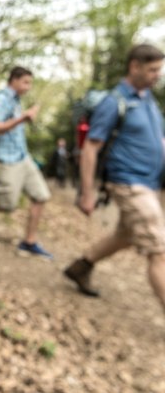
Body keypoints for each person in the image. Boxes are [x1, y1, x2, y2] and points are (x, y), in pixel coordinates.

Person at [64, 43, 165, 313]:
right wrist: (87, 193)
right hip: (129, 183)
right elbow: (90, 148)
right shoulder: (114, 102)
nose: (158, 75)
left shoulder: (147, 99)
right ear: (135, 66)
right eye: (154, 69)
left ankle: (81, 267)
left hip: (149, 183)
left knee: (125, 235)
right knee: (160, 250)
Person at [0, 66, 52, 259]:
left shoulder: (16, 102)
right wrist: (22, 118)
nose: (28, 87)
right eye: (26, 82)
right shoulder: (1, 99)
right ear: (14, 80)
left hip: (23, 157)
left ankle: (29, 242)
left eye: (30, 83)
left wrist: (23, 117)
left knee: (41, 196)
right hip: (6, 160)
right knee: (6, 204)